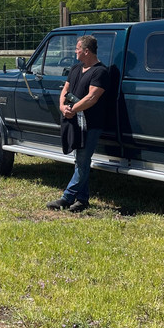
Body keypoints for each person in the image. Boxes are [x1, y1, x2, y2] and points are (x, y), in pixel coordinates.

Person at [47, 35, 109, 213]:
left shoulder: (100, 72)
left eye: (78, 49)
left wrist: (72, 108)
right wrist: (62, 106)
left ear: (86, 51)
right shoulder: (75, 68)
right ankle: (82, 200)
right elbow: (65, 90)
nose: (75, 51)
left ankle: (67, 197)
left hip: (91, 124)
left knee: (82, 160)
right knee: (80, 161)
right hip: (74, 121)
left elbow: (92, 98)